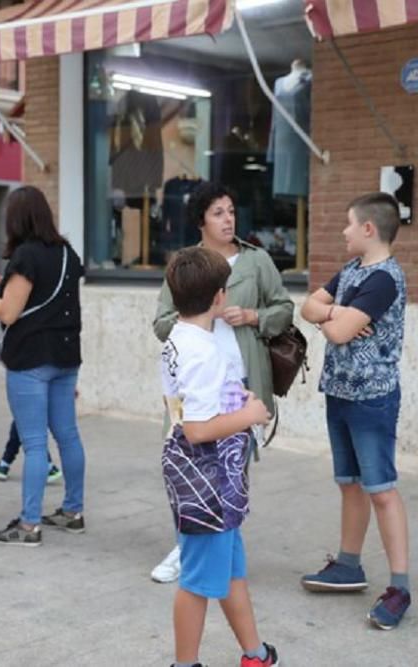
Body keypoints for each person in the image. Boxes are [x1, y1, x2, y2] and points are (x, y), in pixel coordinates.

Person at [151, 182, 294, 584]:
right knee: (187, 457)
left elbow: (284, 308)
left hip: (240, 380)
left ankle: (224, 547)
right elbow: (161, 322)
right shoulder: (184, 265)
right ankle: (186, 546)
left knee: (232, 464)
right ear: (201, 220)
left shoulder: (257, 260)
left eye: (231, 210)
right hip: (195, 382)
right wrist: (202, 314)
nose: (228, 219)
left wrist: (253, 317)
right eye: (218, 212)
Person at [160, 247, 279, 667]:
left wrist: (235, 397)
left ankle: (255, 655)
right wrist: (249, 413)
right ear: (219, 297)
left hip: (206, 477)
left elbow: (188, 400)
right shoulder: (202, 351)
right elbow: (196, 428)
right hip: (206, 477)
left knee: (230, 569)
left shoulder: (181, 337)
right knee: (196, 581)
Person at [298, 192, 412, 630]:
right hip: (340, 394)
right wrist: (336, 313)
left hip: (372, 399)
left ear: (368, 229)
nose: (343, 231)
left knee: (380, 489)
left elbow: (340, 334)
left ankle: (400, 587)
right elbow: (308, 306)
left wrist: (333, 319)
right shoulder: (352, 271)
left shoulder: (384, 278)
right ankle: (349, 565)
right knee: (350, 484)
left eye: (348, 224)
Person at [0, 186, 86, 547]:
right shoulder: (67, 252)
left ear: (16, 218)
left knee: (33, 443)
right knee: (69, 434)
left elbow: (9, 312)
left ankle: (29, 525)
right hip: (65, 356)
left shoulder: (26, 256)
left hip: (30, 358)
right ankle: (73, 511)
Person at [0, 348, 62, 484]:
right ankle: (6, 463)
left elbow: (6, 348)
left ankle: (9, 463)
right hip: (44, 380)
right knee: (25, 424)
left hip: (27, 380)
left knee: (25, 425)